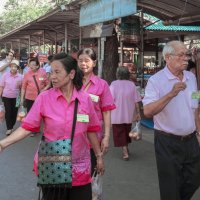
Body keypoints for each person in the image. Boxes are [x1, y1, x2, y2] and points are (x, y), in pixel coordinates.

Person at [0, 53, 104, 200]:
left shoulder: (85, 99)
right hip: (53, 164)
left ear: (71, 74)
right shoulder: (44, 98)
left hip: (80, 166)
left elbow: (92, 130)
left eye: (57, 72)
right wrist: (3, 144)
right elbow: (27, 127)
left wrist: (99, 156)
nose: (52, 77)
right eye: (51, 73)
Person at [142, 40, 200, 200]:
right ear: (168, 57)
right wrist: (170, 94)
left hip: (191, 140)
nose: (186, 58)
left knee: (195, 178)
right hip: (167, 142)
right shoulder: (156, 80)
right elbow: (147, 111)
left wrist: (199, 132)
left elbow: (195, 107)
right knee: (170, 186)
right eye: (181, 55)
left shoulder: (191, 77)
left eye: (187, 54)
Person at [77, 48, 116, 173]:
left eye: (87, 60)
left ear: (94, 63)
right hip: (74, 135)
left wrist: (106, 136)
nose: (83, 63)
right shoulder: (72, 82)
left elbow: (106, 111)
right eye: (80, 60)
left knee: (92, 172)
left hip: (94, 137)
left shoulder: (102, 84)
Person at [110, 67, 141, 160]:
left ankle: (125, 151)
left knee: (119, 132)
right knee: (126, 131)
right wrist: (138, 113)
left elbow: (110, 100)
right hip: (129, 113)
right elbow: (136, 101)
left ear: (118, 74)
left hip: (117, 114)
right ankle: (126, 147)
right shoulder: (132, 85)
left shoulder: (114, 84)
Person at [0, 59, 23, 135]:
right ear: (10, 67)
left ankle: (11, 125)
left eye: (15, 66)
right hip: (6, 96)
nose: (13, 68)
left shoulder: (21, 77)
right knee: (8, 112)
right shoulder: (5, 75)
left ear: (18, 68)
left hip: (17, 98)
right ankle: (9, 128)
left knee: (14, 112)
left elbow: (22, 88)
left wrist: (22, 98)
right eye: (12, 66)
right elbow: (1, 87)